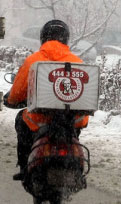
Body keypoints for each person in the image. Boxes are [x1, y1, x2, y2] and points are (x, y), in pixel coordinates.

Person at [4, 20, 89, 180]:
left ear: (43, 38)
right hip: (73, 119)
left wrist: (11, 100)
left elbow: (16, 95)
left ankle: (24, 168)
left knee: (21, 120)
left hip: (40, 120)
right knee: (75, 129)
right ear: (66, 38)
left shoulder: (33, 61)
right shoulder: (77, 62)